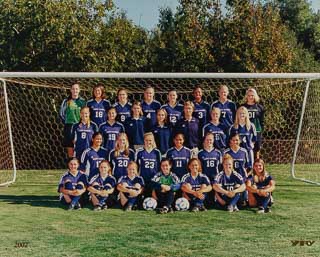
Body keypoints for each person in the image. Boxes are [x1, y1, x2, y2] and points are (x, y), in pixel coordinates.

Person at [59, 83, 86, 158]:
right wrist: (67, 122)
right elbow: (61, 113)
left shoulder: (83, 102)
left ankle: (80, 168)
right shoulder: (66, 101)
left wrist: (81, 123)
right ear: (71, 90)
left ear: (79, 90)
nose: (75, 90)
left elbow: (86, 114)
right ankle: (71, 168)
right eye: (73, 89)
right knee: (70, 148)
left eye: (76, 89)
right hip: (69, 126)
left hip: (80, 126)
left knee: (80, 148)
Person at [241, 88, 265, 159]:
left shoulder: (260, 107)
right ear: (246, 96)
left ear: (255, 96)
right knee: (245, 149)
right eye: (249, 95)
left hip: (257, 131)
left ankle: (256, 168)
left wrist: (261, 131)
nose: (250, 97)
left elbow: (262, 121)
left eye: (252, 95)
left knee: (256, 150)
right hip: (245, 131)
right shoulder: (242, 107)